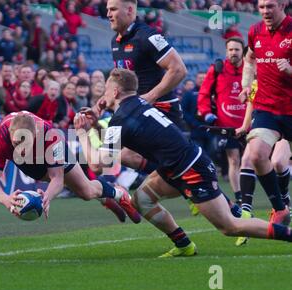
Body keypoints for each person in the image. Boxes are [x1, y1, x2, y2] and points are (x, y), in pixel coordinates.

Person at [75, 68, 292, 248]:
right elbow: (125, 134)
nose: (103, 95)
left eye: (105, 89)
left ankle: (288, 234)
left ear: (114, 91)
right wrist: (95, 125)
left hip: (191, 170)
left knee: (229, 227)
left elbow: (98, 164)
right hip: (176, 167)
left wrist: (83, 132)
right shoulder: (138, 105)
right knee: (141, 199)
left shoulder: (120, 119)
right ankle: (184, 245)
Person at [0, 111, 139, 223]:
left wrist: (46, 198)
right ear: (10, 134)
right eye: (17, 143)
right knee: (83, 190)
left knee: (86, 191)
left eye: (26, 143)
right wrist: (6, 200)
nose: (21, 149)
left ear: (35, 133)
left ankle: (118, 193)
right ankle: (104, 198)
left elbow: (57, 178)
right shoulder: (1, 136)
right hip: (32, 163)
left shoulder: (50, 135)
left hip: (47, 152)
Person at [238, 0, 292, 226]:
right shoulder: (255, 31)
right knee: (257, 154)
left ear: (283, 5)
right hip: (266, 107)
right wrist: (246, 83)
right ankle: (280, 209)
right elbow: (250, 59)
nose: (265, 11)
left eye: (270, 6)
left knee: (280, 162)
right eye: (261, 7)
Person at [107, 0, 187, 130]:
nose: (108, 14)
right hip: (135, 112)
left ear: (130, 10)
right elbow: (119, 79)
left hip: (160, 111)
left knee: (122, 149)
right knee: (110, 146)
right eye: (108, 9)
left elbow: (179, 70)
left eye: (113, 9)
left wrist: (150, 96)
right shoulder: (115, 41)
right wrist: (102, 103)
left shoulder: (148, 36)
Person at [198, 37, 247, 205]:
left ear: (243, 51)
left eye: (237, 50)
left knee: (251, 159)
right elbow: (204, 92)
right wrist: (206, 113)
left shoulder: (250, 68)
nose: (233, 53)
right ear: (226, 51)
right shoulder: (217, 69)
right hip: (226, 125)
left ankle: (249, 192)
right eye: (231, 50)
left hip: (249, 123)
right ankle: (240, 196)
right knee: (234, 160)